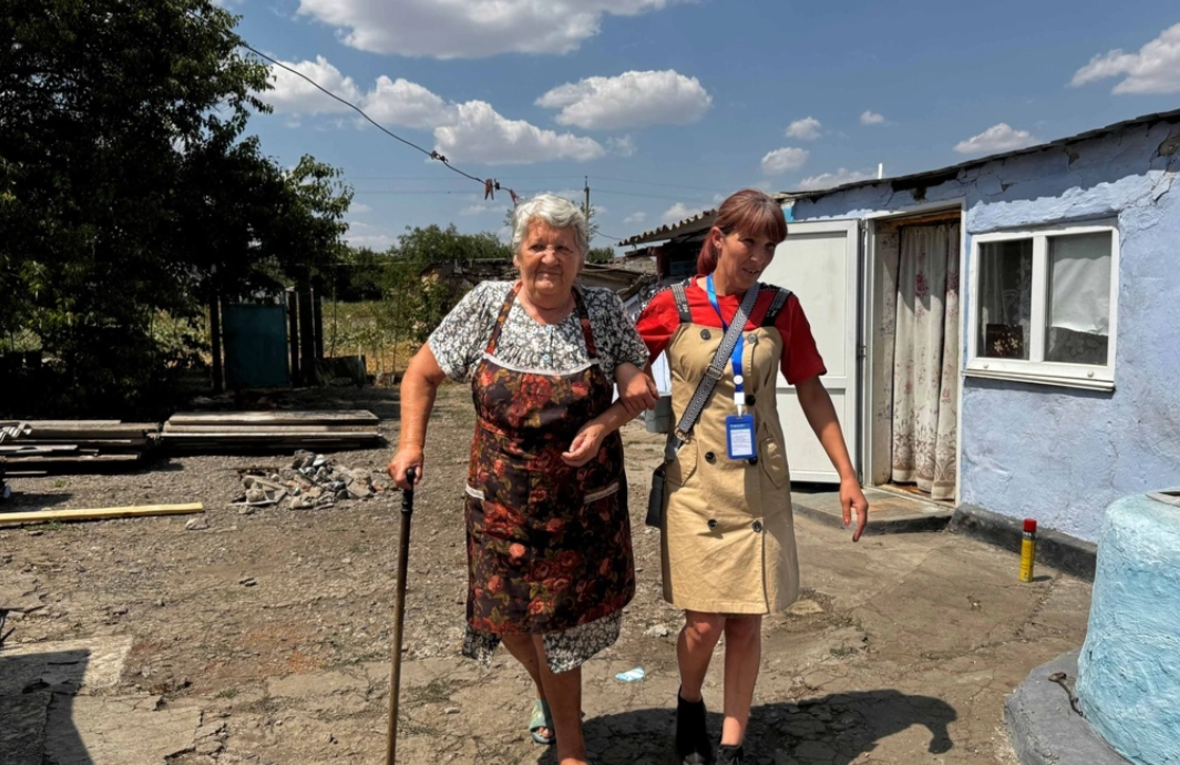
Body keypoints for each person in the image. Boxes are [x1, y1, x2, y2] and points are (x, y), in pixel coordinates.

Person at [387, 194, 657, 765]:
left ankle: (572, 749)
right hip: (500, 499)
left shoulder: (604, 311)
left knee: (559, 630)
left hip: (578, 503)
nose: (550, 258)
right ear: (518, 254)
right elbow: (422, 373)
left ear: (582, 256)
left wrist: (610, 418)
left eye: (563, 246)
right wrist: (411, 442)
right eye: (538, 245)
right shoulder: (487, 306)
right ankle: (552, 701)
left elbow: (636, 385)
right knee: (508, 622)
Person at [634, 189, 869, 765]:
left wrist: (847, 474)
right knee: (704, 621)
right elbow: (624, 367)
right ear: (718, 238)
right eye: (749, 241)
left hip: (759, 483)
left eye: (770, 245)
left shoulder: (780, 308)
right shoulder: (672, 303)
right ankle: (690, 702)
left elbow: (811, 389)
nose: (760, 255)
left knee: (746, 618)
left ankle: (733, 743)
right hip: (695, 486)